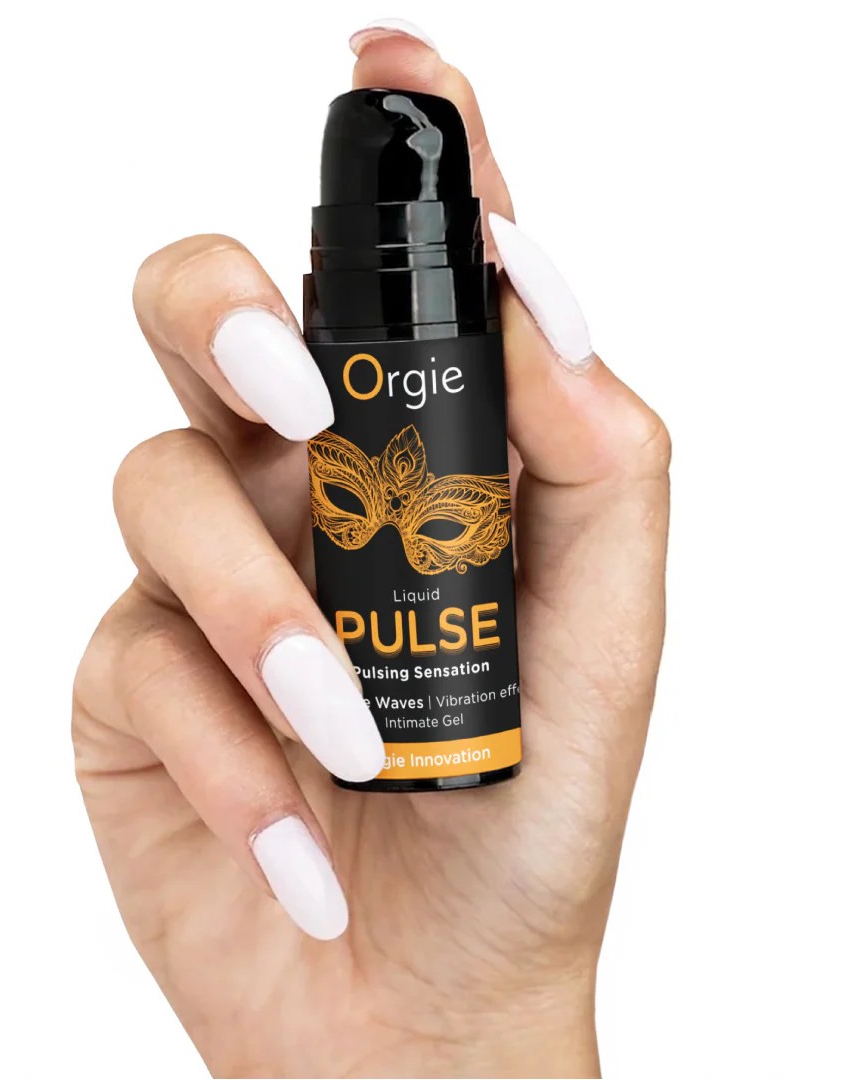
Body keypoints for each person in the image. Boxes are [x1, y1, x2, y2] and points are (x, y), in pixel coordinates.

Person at [72, 20, 670, 1079]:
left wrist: (489, 1030)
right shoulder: (378, 362)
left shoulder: (472, 352)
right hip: (355, 839)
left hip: (474, 792)